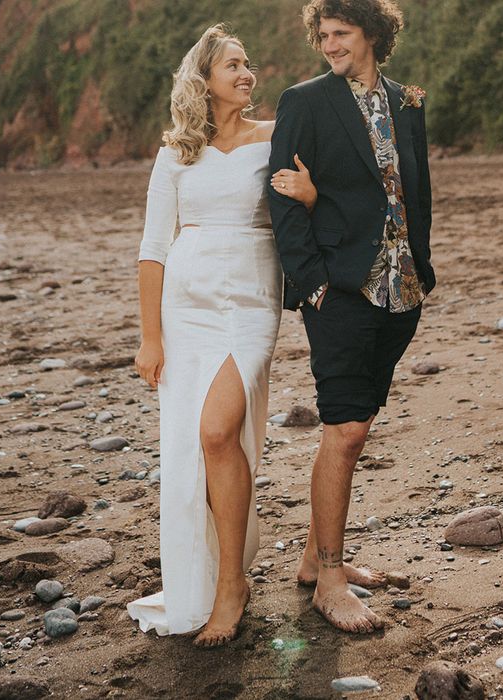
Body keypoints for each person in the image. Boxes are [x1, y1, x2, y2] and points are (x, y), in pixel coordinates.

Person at [128, 24, 316, 647]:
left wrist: (311, 194)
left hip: (252, 304)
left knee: (217, 430)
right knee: (199, 446)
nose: (246, 74)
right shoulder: (176, 151)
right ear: (203, 79)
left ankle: (232, 583)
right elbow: (153, 249)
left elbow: (318, 197)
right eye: (232, 65)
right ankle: (224, 575)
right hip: (186, 309)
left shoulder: (274, 139)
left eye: (247, 63)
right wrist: (150, 337)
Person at [268, 0, 435, 634]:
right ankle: (330, 582)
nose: (330, 45)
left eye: (340, 33)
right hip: (338, 292)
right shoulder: (306, 101)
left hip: (402, 291)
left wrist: (423, 266)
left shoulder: (407, 101)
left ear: (372, 32)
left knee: (355, 425)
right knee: (346, 431)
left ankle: (315, 559)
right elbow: (283, 196)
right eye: (323, 35)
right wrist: (310, 284)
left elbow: (413, 190)